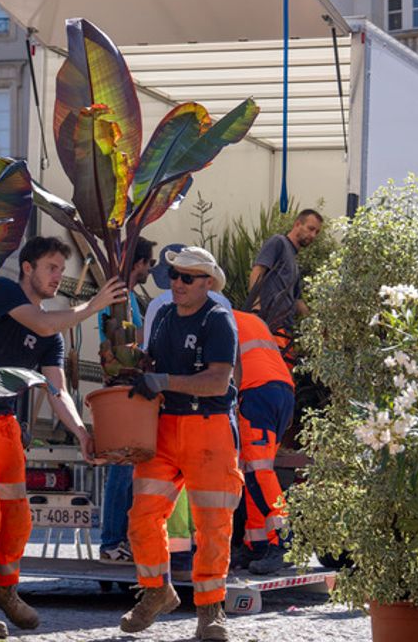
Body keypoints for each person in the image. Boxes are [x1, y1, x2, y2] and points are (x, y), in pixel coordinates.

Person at [0, 236, 126, 639]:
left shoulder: (51, 338)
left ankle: (4, 590)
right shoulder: (2, 290)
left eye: (61, 269)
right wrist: (93, 306)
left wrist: (80, 433)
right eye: (51, 267)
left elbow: (57, 392)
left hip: (3, 424)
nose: (58, 276)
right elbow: (40, 321)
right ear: (28, 268)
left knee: (18, 518)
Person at [121, 246, 243, 642]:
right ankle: (157, 590)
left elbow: (217, 381)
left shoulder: (218, 319)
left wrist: (164, 381)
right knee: (142, 516)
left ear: (208, 282)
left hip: (208, 430)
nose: (177, 283)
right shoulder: (164, 317)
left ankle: (210, 613)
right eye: (173, 275)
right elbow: (153, 366)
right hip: (164, 428)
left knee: (213, 525)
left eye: (187, 277)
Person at [97, 237, 156, 564]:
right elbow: (120, 340)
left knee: (130, 467)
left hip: (130, 384)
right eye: (150, 263)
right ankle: (111, 542)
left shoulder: (127, 296)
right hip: (123, 386)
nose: (150, 269)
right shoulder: (118, 296)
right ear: (139, 263)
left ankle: (121, 541)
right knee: (122, 466)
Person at [230, 309, 296, 575]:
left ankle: (284, 541)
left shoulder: (213, 314)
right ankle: (256, 544)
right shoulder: (251, 319)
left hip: (255, 392)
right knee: (253, 468)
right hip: (282, 392)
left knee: (257, 471)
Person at [245, 209, 324, 362]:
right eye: (310, 228)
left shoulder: (294, 264)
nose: (313, 235)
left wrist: (316, 326)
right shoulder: (278, 242)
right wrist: (255, 308)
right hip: (269, 324)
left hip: (285, 331)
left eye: (317, 232)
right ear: (297, 224)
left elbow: (297, 300)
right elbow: (258, 270)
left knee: (284, 377)